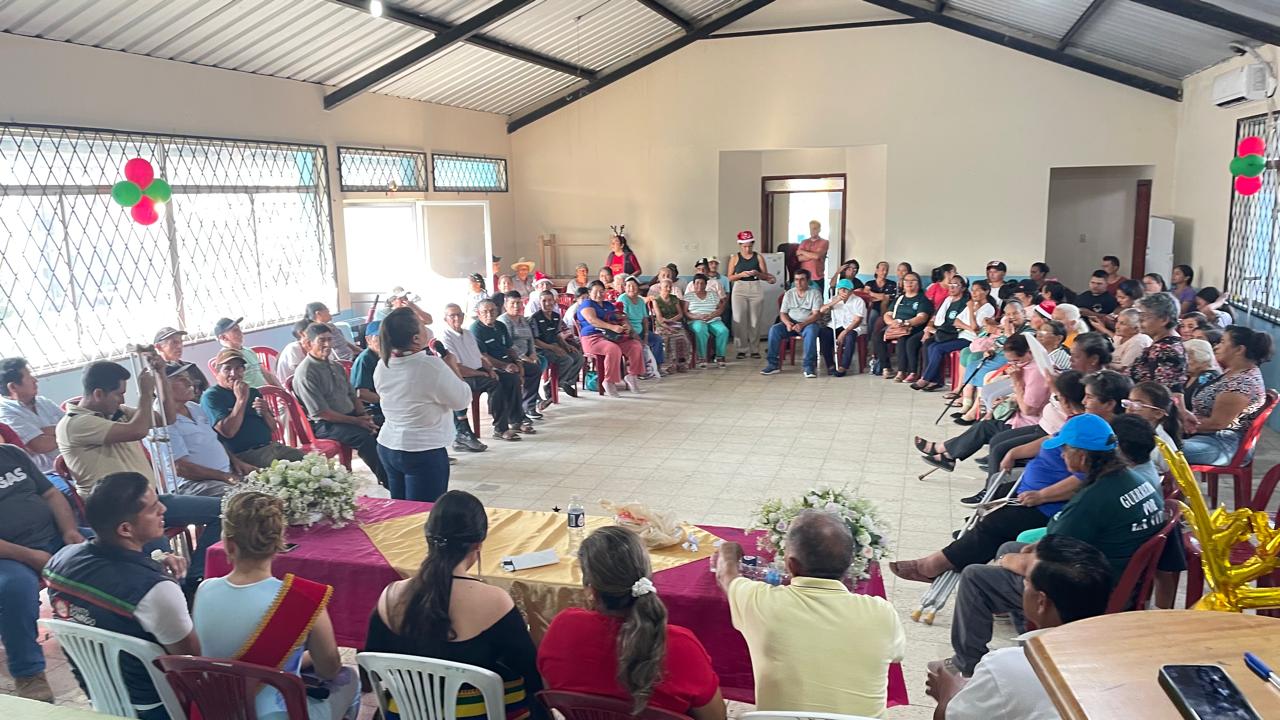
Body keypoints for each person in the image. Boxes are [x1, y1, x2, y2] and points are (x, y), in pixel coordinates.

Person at [937, 412, 1164, 680]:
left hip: (1086, 591)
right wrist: (1024, 552)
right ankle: (1031, 645)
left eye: (1065, 449)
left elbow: (1048, 561)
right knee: (1009, 547)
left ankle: (968, 665)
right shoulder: (1133, 480)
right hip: (1113, 574)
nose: (1062, 455)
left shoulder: (1092, 499)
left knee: (976, 576)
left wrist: (1011, 562)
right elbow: (1060, 541)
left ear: (1082, 456)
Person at [368, 491, 543, 720]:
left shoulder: (390, 595)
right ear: (478, 544)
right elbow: (531, 673)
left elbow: (370, 667)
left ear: (427, 537)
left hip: (404, 713)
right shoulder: (495, 601)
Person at [44, 472, 201, 719]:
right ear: (126, 529)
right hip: (156, 705)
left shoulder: (59, 562)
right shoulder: (155, 590)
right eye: (153, 508)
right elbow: (189, 661)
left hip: (98, 693)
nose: (163, 509)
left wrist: (152, 565)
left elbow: (108, 580)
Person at [715, 511, 904, 716]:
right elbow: (896, 655)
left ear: (790, 564)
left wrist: (730, 548)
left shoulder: (760, 601)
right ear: (850, 563)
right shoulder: (883, 613)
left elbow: (725, 574)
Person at [57, 361, 224, 589]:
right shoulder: (75, 423)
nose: (122, 400)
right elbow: (138, 430)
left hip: (150, 500)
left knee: (224, 509)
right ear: (98, 394)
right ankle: (178, 589)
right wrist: (146, 393)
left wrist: (160, 375)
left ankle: (197, 576)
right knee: (162, 559)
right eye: (119, 394)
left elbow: (166, 418)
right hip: (121, 513)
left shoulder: (117, 413)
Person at [194, 491, 359, 720]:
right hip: (278, 714)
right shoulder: (305, 598)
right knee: (350, 680)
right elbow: (328, 670)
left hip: (218, 712)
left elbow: (232, 660)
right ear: (279, 544)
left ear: (229, 545)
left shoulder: (204, 590)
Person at [540, 526, 725, 719]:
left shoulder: (563, 628)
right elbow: (716, 717)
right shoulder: (681, 645)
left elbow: (551, 690)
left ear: (591, 591)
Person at [928, 535, 1114, 720]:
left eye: (1026, 580)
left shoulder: (1006, 666)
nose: (1023, 584)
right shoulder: (1117, 655)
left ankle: (965, 669)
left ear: (1041, 602)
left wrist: (946, 694)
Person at [0, 441, 84, 702]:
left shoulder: (11, 453)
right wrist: (30, 555)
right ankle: (28, 673)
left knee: (113, 548)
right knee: (16, 588)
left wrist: (70, 530)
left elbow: (51, 494)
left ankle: (138, 630)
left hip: (53, 536)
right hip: (9, 554)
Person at [375, 308, 472, 501]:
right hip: (421, 451)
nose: (426, 325)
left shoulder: (383, 364)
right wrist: (452, 365)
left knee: (401, 510)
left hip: (388, 446)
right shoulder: (430, 366)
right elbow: (462, 400)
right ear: (416, 339)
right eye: (421, 324)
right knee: (423, 512)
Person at [916, 334, 1050, 473]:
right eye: (1009, 361)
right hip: (1017, 416)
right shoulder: (1025, 367)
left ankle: (945, 452)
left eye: (1016, 361)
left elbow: (1028, 410)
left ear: (1029, 352)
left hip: (1029, 424)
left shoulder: (1036, 373)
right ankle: (947, 454)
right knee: (983, 423)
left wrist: (1017, 382)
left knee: (985, 428)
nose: (1013, 365)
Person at [292, 323, 388, 487]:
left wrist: (363, 416)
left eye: (330, 339)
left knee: (385, 424)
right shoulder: (306, 373)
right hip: (326, 425)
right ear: (308, 344)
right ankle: (388, 480)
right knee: (364, 438)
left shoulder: (336, 366)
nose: (327, 344)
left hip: (350, 417)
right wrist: (358, 422)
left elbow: (353, 395)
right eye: (322, 340)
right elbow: (322, 413)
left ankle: (397, 471)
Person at [1177, 325, 1272, 465]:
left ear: (1239, 350)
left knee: (1160, 450)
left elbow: (1217, 424)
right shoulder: (1232, 373)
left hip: (1222, 444)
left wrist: (1179, 425)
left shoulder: (1242, 383)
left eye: (1222, 342)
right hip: (1205, 437)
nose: (1216, 347)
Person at [158, 368, 252, 497]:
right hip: (192, 484)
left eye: (187, 378)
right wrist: (224, 476)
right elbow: (180, 468)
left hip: (223, 475)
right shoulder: (160, 419)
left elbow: (212, 440)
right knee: (247, 499)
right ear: (161, 386)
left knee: (269, 485)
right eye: (181, 379)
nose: (190, 383)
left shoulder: (194, 407)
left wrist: (235, 462)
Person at [203, 350, 305, 467]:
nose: (233, 373)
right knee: (289, 468)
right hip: (243, 455)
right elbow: (228, 432)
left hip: (271, 447)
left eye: (238, 368)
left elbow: (273, 428)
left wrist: (265, 413)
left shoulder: (252, 392)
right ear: (217, 373)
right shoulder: (212, 396)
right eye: (227, 369)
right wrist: (241, 400)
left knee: (307, 462)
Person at [440, 304, 524, 443]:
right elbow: (456, 367)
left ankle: (516, 419)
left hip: (478, 370)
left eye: (459, 314)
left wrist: (490, 370)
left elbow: (480, 357)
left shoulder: (467, 333)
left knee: (510, 378)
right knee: (494, 385)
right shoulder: (445, 337)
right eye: (452, 315)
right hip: (462, 376)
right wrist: (481, 374)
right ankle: (500, 429)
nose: (456, 318)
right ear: (445, 319)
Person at [577, 281, 645, 397]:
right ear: (589, 293)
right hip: (592, 338)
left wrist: (626, 325)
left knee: (635, 345)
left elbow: (620, 317)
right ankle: (609, 381)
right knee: (613, 349)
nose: (599, 294)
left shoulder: (608, 305)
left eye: (602, 291)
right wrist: (612, 327)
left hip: (612, 337)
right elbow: (593, 320)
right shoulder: (587, 304)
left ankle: (632, 376)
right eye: (596, 292)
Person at [0, 356, 65, 473]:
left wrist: (44, 432)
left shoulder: (43, 401)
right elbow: (40, 445)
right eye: (29, 376)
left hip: (76, 457)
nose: (35, 380)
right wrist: (66, 430)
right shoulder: (5, 413)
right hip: (51, 472)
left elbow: (74, 425)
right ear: (13, 387)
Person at [762, 269, 825, 378]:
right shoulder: (789, 293)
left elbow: (816, 315)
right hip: (791, 323)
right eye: (796, 280)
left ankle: (809, 367)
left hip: (808, 323)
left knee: (811, 331)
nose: (799, 283)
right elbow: (783, 313)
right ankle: (773, 364)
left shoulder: (815, 293)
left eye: (802, 279)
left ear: (808, 281)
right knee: (774, 330)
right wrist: (787, 323)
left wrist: (802, 324)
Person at [870, 271, 932, 382]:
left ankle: (902, 371)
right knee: (878, 336)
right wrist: (892, 323)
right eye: (906, 281)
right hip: (896, 326)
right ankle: (886, 367)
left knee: (903, 339)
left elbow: (921, 317)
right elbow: (887, 315)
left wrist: (906, 323)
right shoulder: (899, 298)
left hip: (913, 327)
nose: (909, 283)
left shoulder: (922, 299)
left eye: (912, 281)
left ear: (918, 284)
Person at [911, 275, 969, 391]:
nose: (951, 287)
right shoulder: (947, 300)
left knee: (936, 348)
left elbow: (957, 324)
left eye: (955, 285)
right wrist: (929, 329)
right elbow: (935, 317)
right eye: (950, 284)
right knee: (927, 343)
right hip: (942, 332)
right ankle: (934, 380)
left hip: (955, 334)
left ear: (963, 288)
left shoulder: (965, 303)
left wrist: (935, 331)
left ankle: (927, 378)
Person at [498, 293, 547, 419]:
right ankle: (527, 405)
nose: (516, 306)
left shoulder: (523, 320)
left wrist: (533, 354)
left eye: (518, 303)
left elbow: (530, 339)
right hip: (512, 357)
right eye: (512, 303)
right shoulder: (503, 321)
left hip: (527, 355)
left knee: (541, 362)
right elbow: (509, 344)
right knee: (533, 369)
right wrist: (523, 357)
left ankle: (530, 403)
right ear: (505, 305)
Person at [728, 231, 776, 359]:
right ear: (740, 245)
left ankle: (755, 349)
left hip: (755, 287)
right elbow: (730, 277)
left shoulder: (758, 257)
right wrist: (741, 275)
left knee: (755, 320)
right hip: (739, 287)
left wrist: (757, 273)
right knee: (739, 319)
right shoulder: (735, 258)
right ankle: (741, 349)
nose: (747, 249)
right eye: (744, 246)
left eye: (749, 246)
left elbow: (766, 276)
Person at [1129, 292, 1187, 394]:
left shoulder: (1168, 350)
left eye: (1144, 316)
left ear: (1164, 320)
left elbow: (1160, 392)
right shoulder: (1161, 345)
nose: (1139, 321)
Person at [532, 290, 585, 399]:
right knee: (567, 360)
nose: (547, 303)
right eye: (544, 301)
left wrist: (566, 346)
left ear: (554, 301)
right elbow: (535, 341)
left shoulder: (556, 316)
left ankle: (559, 383)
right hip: (541, 349)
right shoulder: (535, 318)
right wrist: (553, 348)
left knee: (579, 357)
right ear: (539, 303)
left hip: (555, 345)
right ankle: (557, 384)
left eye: (550, 300)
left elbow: (557, 335)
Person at [213, 317, 281, 388]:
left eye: (239, 329)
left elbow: (267, 374)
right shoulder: (225, 358)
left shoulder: (248, 351)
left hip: (265, 392)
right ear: (223, 337)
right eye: (235, 330)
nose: (240, 333)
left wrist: (282, 390)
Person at [819, 278, 867, 377]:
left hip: (853, 327)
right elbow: (822, 310)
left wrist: (844, 332)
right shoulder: (834, 299)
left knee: (850, 336)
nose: (843, 291)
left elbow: (857, 321)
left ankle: (843, 367)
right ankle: (830, 365)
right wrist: (835, 301)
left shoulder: (858, 301)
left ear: (851, 291)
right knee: (824, 333)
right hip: (835, 325)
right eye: (841, 289)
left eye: (846, 289)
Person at [683, 274, 729, 368]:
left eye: (702, 283)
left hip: (713, 319)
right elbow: (686, 312)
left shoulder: (712, 294)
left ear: (706, 284)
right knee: (701, 330)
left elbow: (720, 308)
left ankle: (720, 356)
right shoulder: (689, 296)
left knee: (723, 331)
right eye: (697, 283)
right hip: (696, 320)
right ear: (693, 284)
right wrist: (697, 317)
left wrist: (712, 315)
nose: (699, 285)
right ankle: (702, 357)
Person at [152, 327, 209, 396]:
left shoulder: (191, 367)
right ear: (158, 347)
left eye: (181, 342)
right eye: (174, 342)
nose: (179, 346)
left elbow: (207, 391)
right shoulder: (155, 374)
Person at [350, 320, 386, 426]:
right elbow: (362, 394)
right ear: (368, 339)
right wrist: (389, 401)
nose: (385, 341)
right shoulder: (365, 359)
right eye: (379, 337)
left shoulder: (387, 356)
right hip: (373, 409)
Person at [651, 279, 692, 373]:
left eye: (670, 287)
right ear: (660, 288)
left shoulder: (674, 298)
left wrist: (671, 321)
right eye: (666, 287)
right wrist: (668, 327)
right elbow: (660, 319)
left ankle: (681, 363)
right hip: (662, 326)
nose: (668, 289)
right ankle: (669, 365)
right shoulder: (656, 300)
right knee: (667, 339)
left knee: (682, 338)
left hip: (675, 324)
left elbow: (680, 314)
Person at [862, 261, 898, 344]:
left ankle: (877, 341)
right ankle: (868, 341)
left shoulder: (891, 284)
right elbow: (866, 296)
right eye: (882, 269)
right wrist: (881, 296)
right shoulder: (869, 283)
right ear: (877, 271)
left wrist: (872, 294)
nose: (885, 272)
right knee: (872, 315)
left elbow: (886, 297)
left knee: (882, 320)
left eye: (886, 270)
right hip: (872, 307)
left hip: (887, 309)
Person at [276, 319, 315, 385]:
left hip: (306, 382)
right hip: (290, 386)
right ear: (302, 334)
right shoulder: (293, 348)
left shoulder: (316, 346)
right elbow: (300, 373)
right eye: (314, 331)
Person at [794, 220, 830, 293]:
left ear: (819, 229)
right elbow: (799, 258)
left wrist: (802, 252)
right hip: (804, 278)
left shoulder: (824, 242)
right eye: (810, 228)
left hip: (817, 278)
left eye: (815, 228)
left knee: (818, 298)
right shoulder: (804, 242)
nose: (812, 231)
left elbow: (817, 256)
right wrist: (813, 255)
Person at [1182, 338, 1222, 404]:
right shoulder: (1189, 375)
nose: (1184, 361)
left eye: (1188, 357)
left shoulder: (1209, 377)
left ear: (1200, 357)